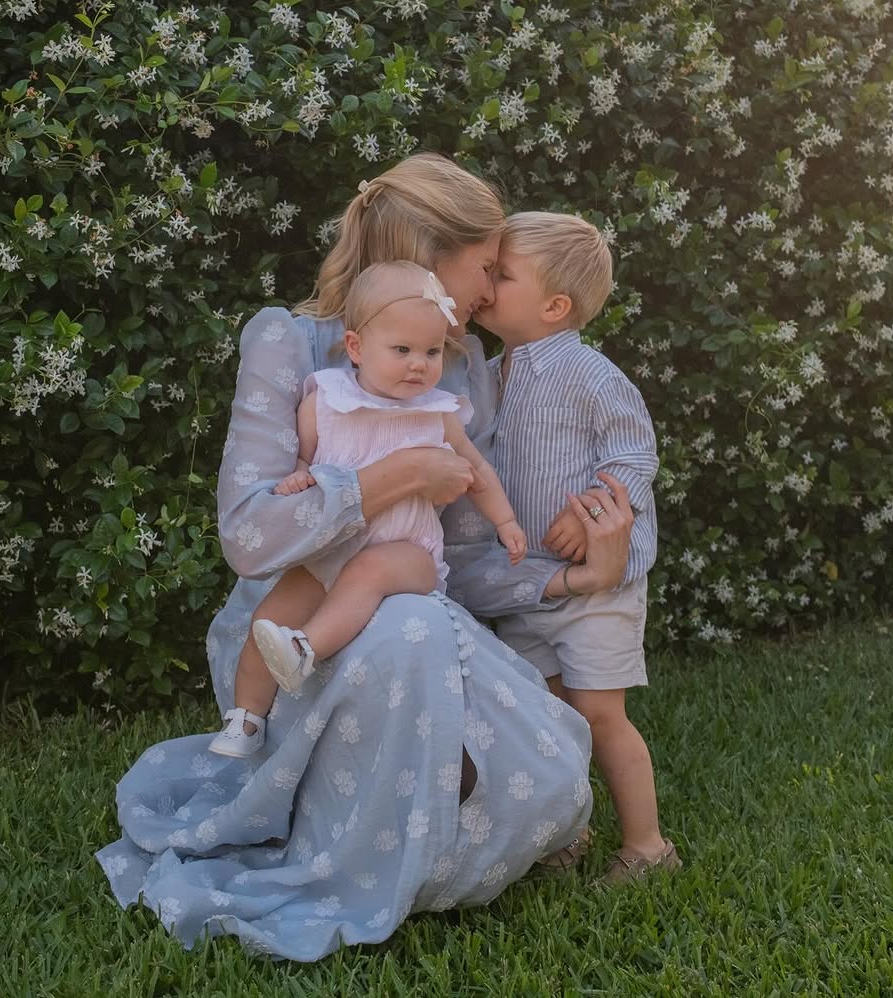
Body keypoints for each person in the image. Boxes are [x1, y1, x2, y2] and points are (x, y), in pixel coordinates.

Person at [96, 154, 634, 962]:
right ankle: (353, 846)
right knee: (409, 632)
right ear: (429, 258)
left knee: (537, 763)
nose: (489, 292)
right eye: (485, 268)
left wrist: (570, 577)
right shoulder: (289, 342)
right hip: (293, 634)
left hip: (418, 618)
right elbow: (248, 538)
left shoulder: (459, 368)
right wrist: (395, 477)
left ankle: (423, 810)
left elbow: (466, 558)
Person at [208, 260, 527, 757]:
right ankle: (245, 718)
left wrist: (504, 520)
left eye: (432, 352)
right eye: (402, 350)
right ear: (356, 348)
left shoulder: (437, 414)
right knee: (269, 615)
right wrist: (298, 476)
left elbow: (477, 471)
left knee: (370, 571)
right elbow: (304, 459)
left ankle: (307, 647)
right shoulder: (326, 401)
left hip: (407, 551)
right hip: (331, 546)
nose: (419, 364)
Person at [471, 211, 680, 883]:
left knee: (598, 711)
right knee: (550, 714)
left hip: (598, 583)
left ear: (554, 306)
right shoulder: (490, 375)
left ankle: (648, 846)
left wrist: (589, 511)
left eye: (502, 275)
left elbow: (633, 455)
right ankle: (570, 828)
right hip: (529, 580)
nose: (485, 285)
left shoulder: (591, 375)